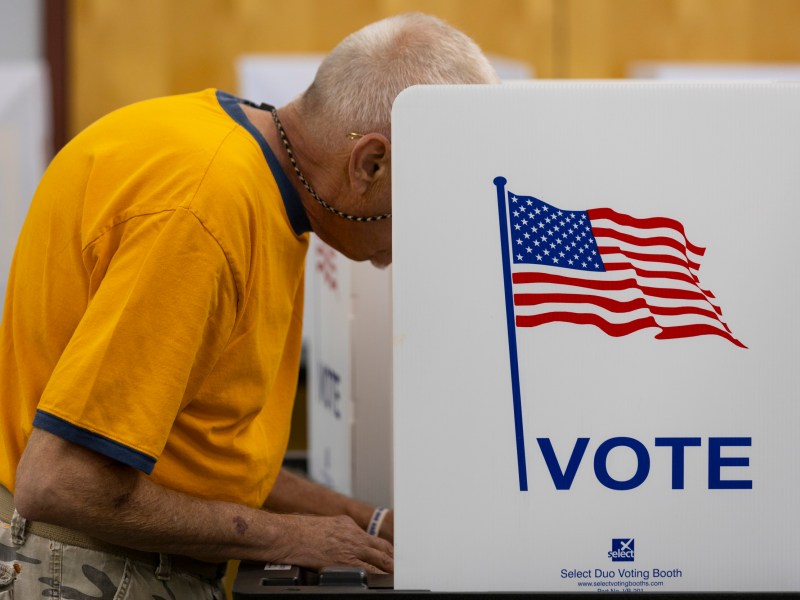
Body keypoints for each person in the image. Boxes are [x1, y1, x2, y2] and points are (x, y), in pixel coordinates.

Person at [0, 12, 498, 599]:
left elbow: (196, 452)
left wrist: (368, 523)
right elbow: (64, 482)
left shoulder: (248, 161)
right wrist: (285, 538)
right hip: (94, 568)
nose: (422, 236)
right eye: (429, 200)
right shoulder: (203, 214)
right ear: (370, 163)